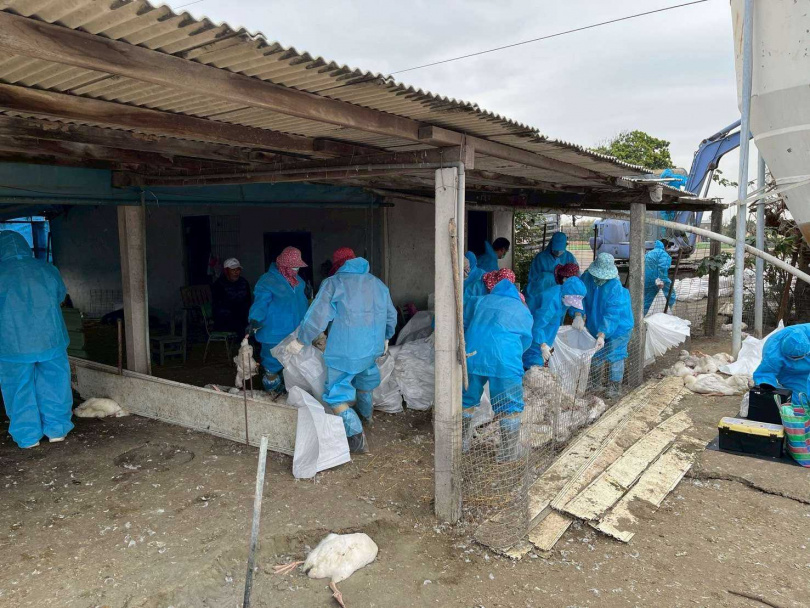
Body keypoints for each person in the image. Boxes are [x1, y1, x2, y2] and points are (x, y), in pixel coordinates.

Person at [292, 251, 397, 453]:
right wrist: (386, 336)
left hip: (345, 351)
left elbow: (317, 315)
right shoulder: (377, 284)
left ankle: (356, 437)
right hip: (371, 349)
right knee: (365, 384)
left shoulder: (334, 283)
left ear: (339, 265)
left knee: (336, 395)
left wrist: (302, 339)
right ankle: (367, 419)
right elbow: (390, 315)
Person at [0, 231, 73, 449]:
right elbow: (60, 296)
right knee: (55, 382)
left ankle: (28, 436)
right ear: (25, 246)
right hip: (49, 337)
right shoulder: (47, 269)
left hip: (13, 342)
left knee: (18, 387)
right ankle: (57, 429)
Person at [462, 269, 533, 461]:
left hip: (473, 355)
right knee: (510, 406)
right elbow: (526, 339)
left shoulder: (481, 300)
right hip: (505, 359)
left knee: (466, 400)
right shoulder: (522, 309)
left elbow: (465, 323)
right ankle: (507, 454)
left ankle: (460, 445)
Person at [247, 247, 309, 393]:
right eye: (292, 267)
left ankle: (290, 393)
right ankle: (272, 394)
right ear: (284, 265)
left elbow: (303, 304)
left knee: (294, 366)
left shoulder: (299, 282)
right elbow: (260, 303)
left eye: (297, 267)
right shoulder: (267, 281)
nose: (295, 270)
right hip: (273, 333)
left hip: (295, 333)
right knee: (272, 365)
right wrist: (255, 320)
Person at [581, 253, 634, 399]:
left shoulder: (615, 286)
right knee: (596, 354)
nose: (600, 279)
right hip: (595, 323)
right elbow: (579, 298)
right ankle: (595, 383)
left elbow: (612, 313)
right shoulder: (586, 278)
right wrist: (579, 315)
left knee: (616, 355)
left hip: (619, 327)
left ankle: (614, 387)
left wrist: (602, 333)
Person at [523, 264, 587, 369]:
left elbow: (573, 302)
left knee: (542, 359)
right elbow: (537, 325)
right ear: (567, 295)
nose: (574, 303)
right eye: (573, 301)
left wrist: (578, 315)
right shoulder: (551, 300)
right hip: (537, 332)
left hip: (549, 328)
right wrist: (542, 344)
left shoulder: (564, 294)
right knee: (534, 361)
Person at [753, 324, 810, 406]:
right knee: (799, 400)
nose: (798, 360)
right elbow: (765, 374)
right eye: (794, 357)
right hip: (789, 373)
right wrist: (768, 392)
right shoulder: (772, 353)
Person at [526, 231, 578, 297]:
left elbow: (575, 276)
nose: (558, 252)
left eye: (560, 249)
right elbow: (533, 279)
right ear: (551, 244)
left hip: (563, 294)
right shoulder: (540, 258)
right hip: (542, 293)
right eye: (556, 249)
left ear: (565, 245)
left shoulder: (569, 257)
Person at [212, 258, 252, 334]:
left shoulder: (243, 282)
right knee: (240, 325)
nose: (236, 272)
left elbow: (248, 301)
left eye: (238, 270)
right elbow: (217, 306)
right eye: (233, 270)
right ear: (226, 271)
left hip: (242, 315)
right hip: (225, 317)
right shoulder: (219, 284)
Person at [644, 240, 676, 314]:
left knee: (648, 298)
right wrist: (662, 280)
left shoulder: (649, 253)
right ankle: (666, 312)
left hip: (646, 278)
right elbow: (663, 269)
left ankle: (645, 316)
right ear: (666, 246)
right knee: (670, 295)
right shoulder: (663, 254)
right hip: (656, 279)